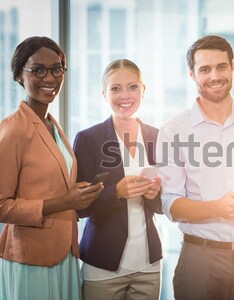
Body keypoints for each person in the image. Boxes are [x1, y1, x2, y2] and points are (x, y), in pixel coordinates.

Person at [156, 35, 234, 300]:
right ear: (192, 75)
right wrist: (217, 208)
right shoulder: (173, 131)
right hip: (201, 260)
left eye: (221, 67)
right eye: (205, 69)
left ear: (233, 67)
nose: (214, 75)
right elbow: (171, 204)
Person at [0, 36, 103, 300]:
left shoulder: (51, 125)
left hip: (63, 253)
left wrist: (78, 196)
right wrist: (63, 201)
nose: (50, 78)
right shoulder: (12, 130)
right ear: (20, 76)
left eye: (57, 69)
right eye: (38, 70)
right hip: (31, 259)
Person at [73, 59, 163, 300]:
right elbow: (79, 208)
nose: (125, 95)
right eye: (115, 88)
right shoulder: (88, 139)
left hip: (148, 264)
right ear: (104, 94)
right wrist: (117, 192)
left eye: (133, 87)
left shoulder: (157, 136)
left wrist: (156, 195)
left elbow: (165, 205)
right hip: (103, 266)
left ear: (143, 90)